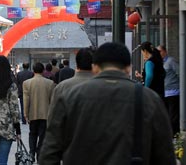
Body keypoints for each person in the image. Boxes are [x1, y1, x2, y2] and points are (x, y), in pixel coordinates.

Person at [39, 42, 176, 164]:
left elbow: (50, 151)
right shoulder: (149, 99)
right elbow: (165, 154)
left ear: (95, 67)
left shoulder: (70, 96)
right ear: (128, 68)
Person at [22, 62, 55, 163]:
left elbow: (26, 100)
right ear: (43, 70)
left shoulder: (27, 83)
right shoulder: (50, 83)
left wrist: (25, 114)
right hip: (46, 113)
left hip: (33, 113)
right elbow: (53, 101)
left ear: (33, 70)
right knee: (43, 135)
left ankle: (31, 153)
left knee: (32, 134)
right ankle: (39, 154)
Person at [158, 44, 180, 134]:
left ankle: (174, 135)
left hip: (173, 92)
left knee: (173, 116)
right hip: (164, 93)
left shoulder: (171, 61)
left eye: (160, 51)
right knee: (166, 115)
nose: (158, 53)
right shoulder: (159, 62)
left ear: (165, 51)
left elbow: (180, 72)